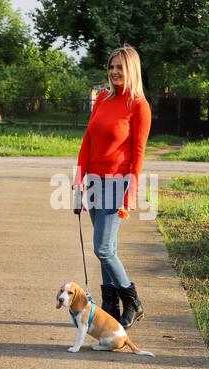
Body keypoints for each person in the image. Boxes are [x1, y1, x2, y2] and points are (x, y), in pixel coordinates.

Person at [72, 44, 151, 329]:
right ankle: (109, 306)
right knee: (109, 248)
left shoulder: (138, 105)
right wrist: (79, 179)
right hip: (93, 182)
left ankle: (132, 301)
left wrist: (132, 190)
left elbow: (139, 152)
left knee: (103, 249)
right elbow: (87, 142)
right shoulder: (103, 99)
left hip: (118, 185)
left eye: (121, 67)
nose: (115, 72)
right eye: (112, 67)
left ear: (131, 70)